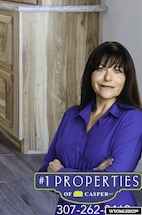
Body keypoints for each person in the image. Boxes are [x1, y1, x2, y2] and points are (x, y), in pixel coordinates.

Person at [39, 41, 142, 211]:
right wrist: (95, 174)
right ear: (90, 74)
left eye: (117, 70)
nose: (108, 78)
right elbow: (44, 175)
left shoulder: (134, 119)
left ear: (127, 78)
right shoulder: (71, 115)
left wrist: (62, 173)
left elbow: (110, 183)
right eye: (101, 68)